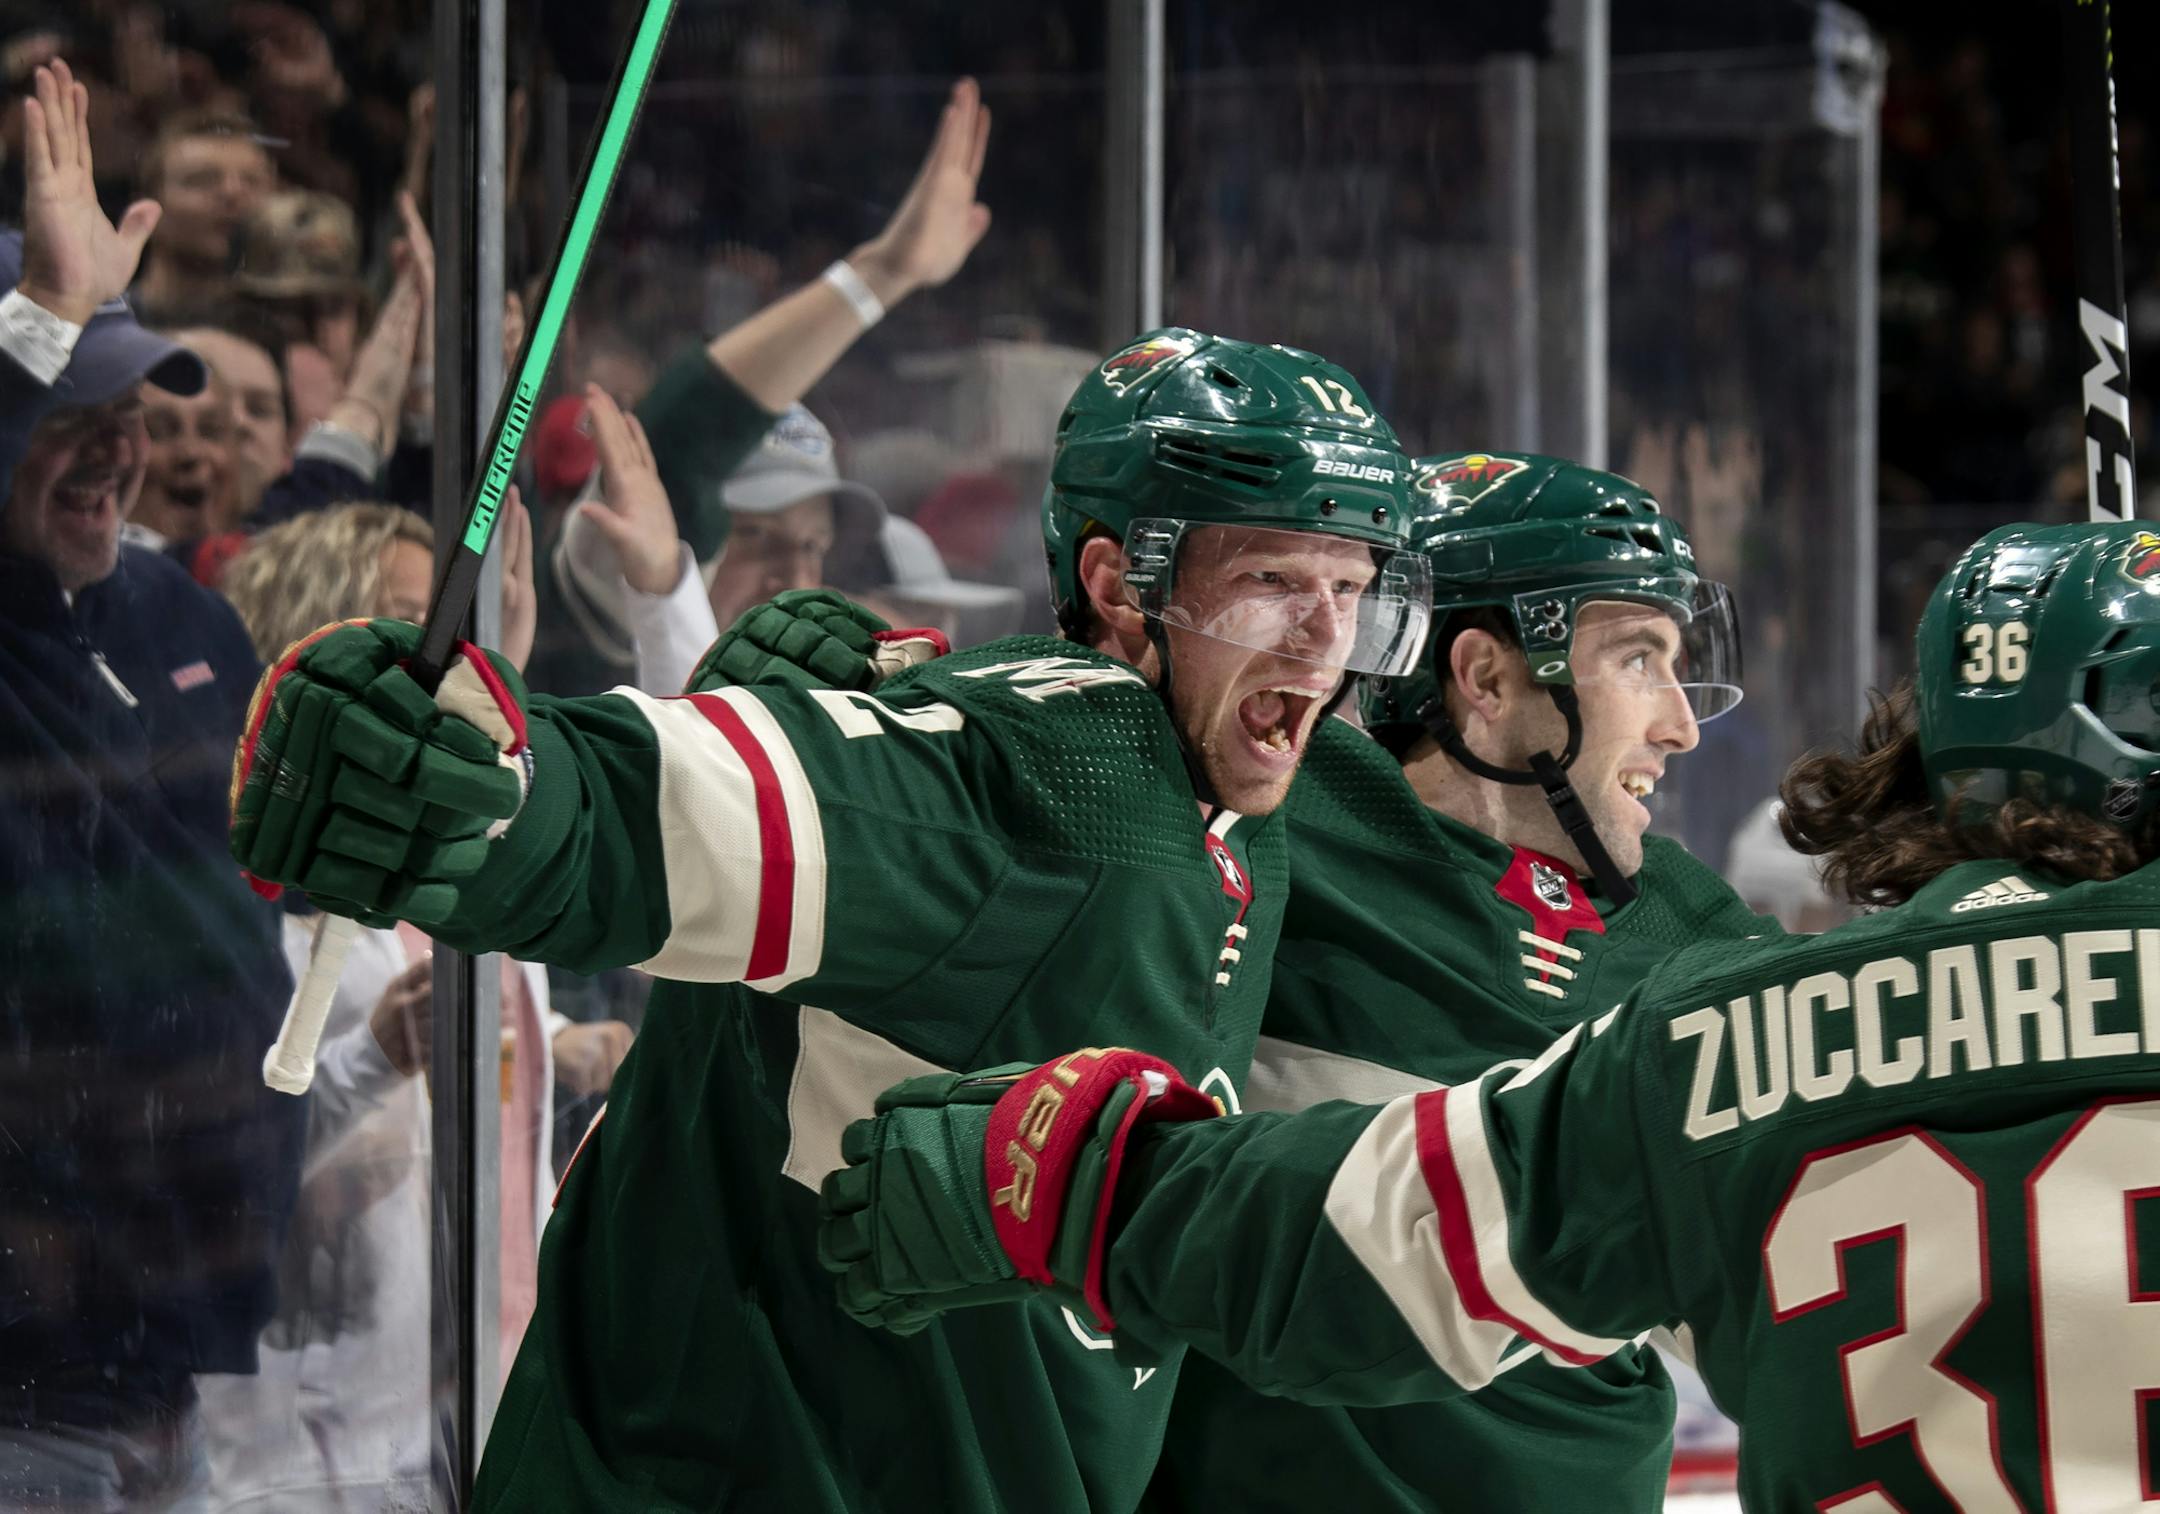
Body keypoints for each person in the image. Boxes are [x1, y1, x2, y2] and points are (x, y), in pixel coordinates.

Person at [225, 327, 1434, 1512]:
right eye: (1275, 579)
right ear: (1120, 586)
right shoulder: (1051, 776)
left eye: (1352, 584)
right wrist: (491, 796)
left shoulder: (1246, 778)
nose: (1328, 637)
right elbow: (657, 810)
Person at [822, 516, 2160, 1511]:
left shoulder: (1730, 1023)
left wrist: (1070, 1178)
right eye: (1640, 658)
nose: (1681, 725)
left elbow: (1376, 1234)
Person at [711, 453, 1766, 1510]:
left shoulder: (1699, 932)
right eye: (1639, 659)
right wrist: (851, 702)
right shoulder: (1255, 812)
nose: (1682, 720)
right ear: (1485, 677)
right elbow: (1025, 755)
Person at [0, 59, 302, 1505]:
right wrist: (36, 328)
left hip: (182, 1346)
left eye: (128, 401)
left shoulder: (182, 617)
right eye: (71, 407)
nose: (117, 438)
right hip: (20, 1368)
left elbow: (265, 880)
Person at [526, 76, 993, 699]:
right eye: (753, 536)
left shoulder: (814, 719)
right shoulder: (620, 615)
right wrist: (881, 275)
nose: (794, 577)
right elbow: (685, 440)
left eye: (811, 545)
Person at [131, 109, 277, 321]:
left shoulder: (288, 329)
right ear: (147, 208)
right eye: (202, 179)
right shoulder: (94, 329)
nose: (232, 193)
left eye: (252, 181)